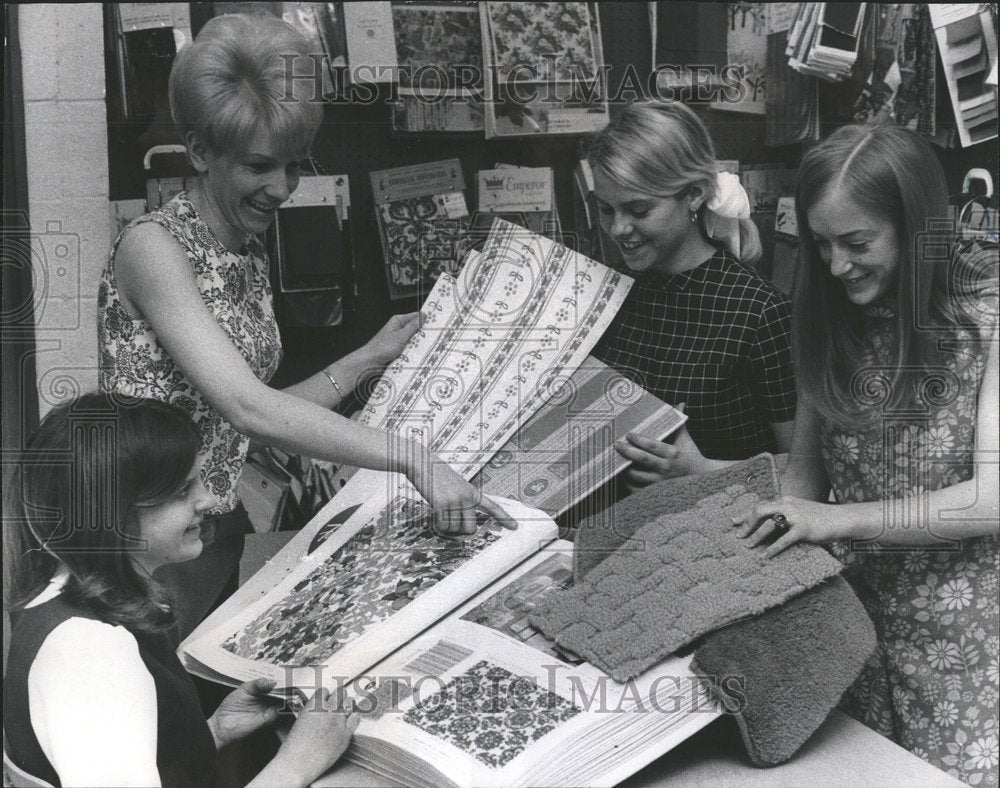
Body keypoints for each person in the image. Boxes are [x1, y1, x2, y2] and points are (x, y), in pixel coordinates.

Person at [97, 14, 512, 637]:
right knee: (159, 717)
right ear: (201, 150)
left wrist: (367, 358)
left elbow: (241, 427)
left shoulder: (243, 244)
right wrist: (412, 458)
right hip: (143, 540)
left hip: (209, 528)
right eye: (259, 165)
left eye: (293, 165)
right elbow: (247, 408)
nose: (282, 188)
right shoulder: (154, 248)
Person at [733, 125, 999, 785]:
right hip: (850, 632)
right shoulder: (829, 319)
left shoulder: (986, 323)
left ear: (916, 229)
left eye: (857, 243)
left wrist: (840, 520)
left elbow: (990, 499)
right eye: (821, 244)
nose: (835, 266)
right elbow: (804, 479)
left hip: (959, 643)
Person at [4, 393, 359, 788]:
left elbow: (124, 756)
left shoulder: (64, 602)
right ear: (114, 517)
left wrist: (214, 731)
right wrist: (296, 765)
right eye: (182, 491)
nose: (208, 499)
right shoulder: (89, 650)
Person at [586, 101, 796, 485]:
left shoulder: (760, 312)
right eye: (605, 209)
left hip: (721, 529)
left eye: (639, 210)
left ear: (695, 194)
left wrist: (697, 473)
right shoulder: (605, 294)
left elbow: (807, 473)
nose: (617, 228)